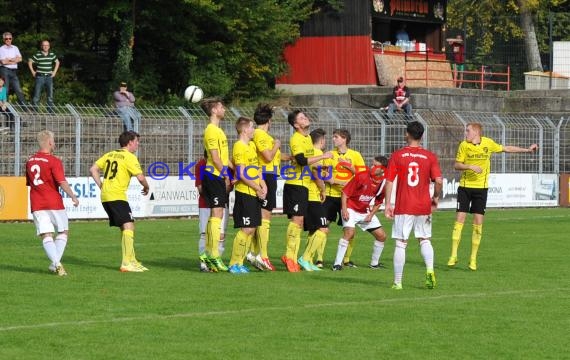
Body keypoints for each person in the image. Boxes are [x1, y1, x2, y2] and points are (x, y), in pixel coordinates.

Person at [448, 123, 538, 271]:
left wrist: (527, 150)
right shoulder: (464, 145)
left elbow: (506, 148)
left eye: (468, 131)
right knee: (459, 220)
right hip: (465, 188)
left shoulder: (488, 143)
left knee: (477, 223)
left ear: (476, 132)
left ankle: (473, 259)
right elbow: (457, 165)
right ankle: (453, 255)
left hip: (481, 190)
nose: (466, 133)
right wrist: (470, 166)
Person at [384, 121, 443, 290]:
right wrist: (435, 197)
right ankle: (430, 270)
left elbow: (389, 181)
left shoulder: (398, 155)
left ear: (407, 134)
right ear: (422, 135)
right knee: (424, 239)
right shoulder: (430, 156)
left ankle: (397, 282)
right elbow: (438, 181)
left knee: (401, 243)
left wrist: (388, 203)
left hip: (404, 205)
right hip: (423, 205)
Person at [89, 131, 150, 272]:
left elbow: (93, 169)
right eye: (136, 141)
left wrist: (101, 186)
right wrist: (147, 187)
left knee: (126, 227)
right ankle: (126, 263)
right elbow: (140, 178)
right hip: (117, 196)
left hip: (106, 196)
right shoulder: (129, 157)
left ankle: (132, 260)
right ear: (129, 142)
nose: (137, 144)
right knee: (129, 226)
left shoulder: (110, 154)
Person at [282, 110, 332, 272]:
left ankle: (295, 258)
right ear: (296, 125)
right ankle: (290, 256)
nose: (306, 118)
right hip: (295, 184)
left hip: (303, 185)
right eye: (302, 118)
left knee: (300, 222)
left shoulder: (308, 138)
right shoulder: (296, 138)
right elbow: (302, 160)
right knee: (296, 222)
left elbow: (310, 164)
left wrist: (319, 168)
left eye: (305, 116)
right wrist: (322, 158)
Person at [26, 130, 79, 276]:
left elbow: (30, 183)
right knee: (63, 231)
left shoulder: (30, 161)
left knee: (46, 234)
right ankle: (56, 263)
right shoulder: (54, 161)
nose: (54, 143)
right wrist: (73, 196)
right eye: (54, 141)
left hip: (37, 202)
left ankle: (54, 264)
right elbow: (61, 182)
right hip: (53, 201)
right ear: (49, 142)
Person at [331, 156, 388, 271]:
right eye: (372, 164)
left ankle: (374, 264)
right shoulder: (362, 176)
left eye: (375, 165)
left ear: (382, 169)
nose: (372, 167)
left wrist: (371, 214)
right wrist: (345, 209)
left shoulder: (383, 183)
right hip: (350, 208)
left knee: (382, 236)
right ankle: (337, 264)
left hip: (364, 211)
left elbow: (379, 201)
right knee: (349, 233)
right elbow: (345, 193)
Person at [320, 128, 365, 268]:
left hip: (349, 198)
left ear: (344, 139)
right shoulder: (329, 155)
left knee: (350, 230)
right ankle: (319, 259)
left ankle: (346, 259)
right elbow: (323, 174)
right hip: (331, 195)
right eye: (333, 137)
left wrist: (348, 167)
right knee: (323, 226)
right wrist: (332, 180)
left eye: (336, 137)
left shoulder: (355, 155)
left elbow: (362, 176)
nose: (333, 139)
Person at [246, 103, 283, 271]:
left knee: (264, 216)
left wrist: (295, 158)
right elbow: (268, 156)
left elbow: (276, 156)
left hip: (270, 174)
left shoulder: (264, 135)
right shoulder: (261, 134)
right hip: (266, 175)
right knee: (265, 216)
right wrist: (277, 144)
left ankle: (255, 253)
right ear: (269, 120)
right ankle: (263, 254)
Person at [228, 117, 267, 274]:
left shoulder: (251, 145)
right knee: (246, 228)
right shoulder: (239, 146)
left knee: (251, 229)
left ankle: (240, 262)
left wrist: (263, 185)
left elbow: (256, 169)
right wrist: (257, 188)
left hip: (255, 191)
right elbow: (242, 174)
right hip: (245, 193)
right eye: (252, 127)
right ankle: (233, 263)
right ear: (244, 130)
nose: (254, 130)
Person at [199, 97, 231, 272]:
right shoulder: (211, 130)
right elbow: (215, 157)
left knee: (217, 214)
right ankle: (212, 254)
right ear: (213, 110)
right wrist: (226, 175)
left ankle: (210, 255)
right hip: (214, 175)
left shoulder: (218, 130)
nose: (224, 109)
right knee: (217, 213)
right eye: (221, 107)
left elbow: (224, 158)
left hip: (217, 175)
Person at [297, 128, 328, 272]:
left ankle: (308, 261)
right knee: (323, 229)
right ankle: (305, 257)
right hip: (313, 196)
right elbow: (316, 174)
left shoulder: (309, 152)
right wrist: (322, 189)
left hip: (306, 194)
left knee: (313, 229)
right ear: (321, 141)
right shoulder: (318, 153)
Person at [195, 151, 229, 272]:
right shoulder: (201, 165)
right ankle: (204, 262)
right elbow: (199, 187)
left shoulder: (223, 165)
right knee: (204, 233)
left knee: (221, 234)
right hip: (205, 204)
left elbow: (229, 186)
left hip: (221, 203)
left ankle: (216, 259)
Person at [28, 40, 60, 113]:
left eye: (47, 45)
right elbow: (30, 61)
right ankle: (35, 111)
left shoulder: (52, 54)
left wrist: (54, 72)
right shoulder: (38, 54)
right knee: (37, 94)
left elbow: (57, 62)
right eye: (44, 45)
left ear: (49, 46)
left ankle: (50, 111)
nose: (45, 46)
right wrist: (33, 71)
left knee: (50, 95)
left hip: (49, 77)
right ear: (41, 46)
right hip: (40, 77)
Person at [0, 32, 26, 105]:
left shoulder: (15, 48)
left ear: (12, 39)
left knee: (18, 90)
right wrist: (14, 60)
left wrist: (9, 59)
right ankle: (4, 108)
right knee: (5, 90)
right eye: (6, 39)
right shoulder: (1, 49)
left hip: (13, 71)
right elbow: (3, 62)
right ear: (4, 39)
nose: (8, 40)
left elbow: (20, 59)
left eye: (10, 38)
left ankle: (25, 108)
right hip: (5, 70)